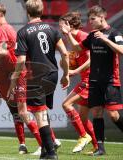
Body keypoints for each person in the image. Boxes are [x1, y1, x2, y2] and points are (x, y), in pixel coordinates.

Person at [0, 3, 61, 155]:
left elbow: (3, 51)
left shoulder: (3, 29)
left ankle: (46, 145)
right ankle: (50, 141)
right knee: (31, 111)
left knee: (24, 111)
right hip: (23, 72)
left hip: (21, 73)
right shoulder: (7, 29)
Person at [7, 0, 70, 159]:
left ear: (27, 12)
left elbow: (21, 61)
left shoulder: (23, 32)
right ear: (41, 11)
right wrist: (66, 74)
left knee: (39, 113)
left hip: (37, 76)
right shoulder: (52, 29)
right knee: (42, 110)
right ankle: (45, 150)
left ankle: (50, 151)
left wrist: (13, 82)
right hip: (53, 73)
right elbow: (65, 53)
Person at [61, 5, 123, 156]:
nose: (91, 22)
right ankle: (100, 148)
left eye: (93, 19)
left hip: (110, 81)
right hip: (94, 81)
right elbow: (77, 48)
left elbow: (121, 50)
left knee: (114, 115)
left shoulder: (115, 33)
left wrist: (105, 40)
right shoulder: (92, 35)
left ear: (102, 17)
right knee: (96, 113)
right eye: (89, 19)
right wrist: (68, 34)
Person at [59, 12, 99, 154]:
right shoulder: (71, 39)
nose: (60, 27)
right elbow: (76, 57)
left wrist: (75, 72)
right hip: (86, 78)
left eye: (62, 24)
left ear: (69, 25)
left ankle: (83, 136)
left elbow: (91, 59)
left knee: (66, 104)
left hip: (90, 79)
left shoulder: (81, 36)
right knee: (82, 117)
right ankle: (97, 146)